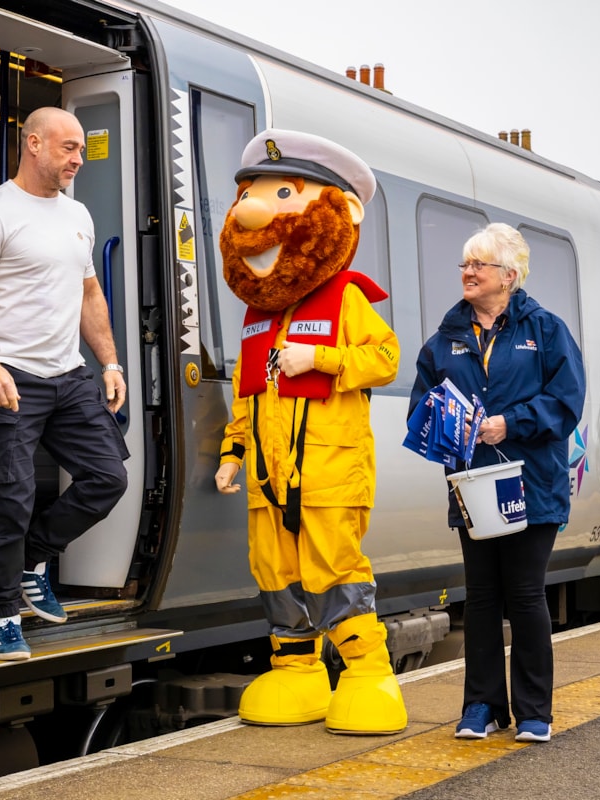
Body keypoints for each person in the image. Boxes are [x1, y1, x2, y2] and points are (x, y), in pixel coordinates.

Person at [215, 128, 406, 735]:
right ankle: (298, 672)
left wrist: (320, 360)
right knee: (275, 573)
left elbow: (387, 358)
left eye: (282, 193)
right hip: (269, 482)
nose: (254, 206)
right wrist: (232, 453)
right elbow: (248, 395)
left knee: (334, 572)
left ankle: (367, 672)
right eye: (252, 192)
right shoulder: (257, 318)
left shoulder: (345, 298)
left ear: (339, 210)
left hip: (328, 473)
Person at [0, 106, 130, 661]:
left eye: (79, 149)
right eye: (69, 147)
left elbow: (89, 294)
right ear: (33, 145)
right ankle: (4, 615)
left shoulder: (78, 215)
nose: (78, 158)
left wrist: (111, 363)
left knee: (108, 477)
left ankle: (32, 559)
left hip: (69, 376)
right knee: (12, 499)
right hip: (12, 378)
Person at [408, 222, 585, 743]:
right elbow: (421, 406)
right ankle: (481, 706)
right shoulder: (444, 342)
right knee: (482, 597)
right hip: (474, 486)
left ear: (508, 276)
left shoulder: (546, 331)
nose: (467, 272)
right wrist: (445, 424)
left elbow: (566, 403)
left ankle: (534, 711)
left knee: (526, 595)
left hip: (532, 484)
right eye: (465, 264)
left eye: (478, 264)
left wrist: (512, 423)